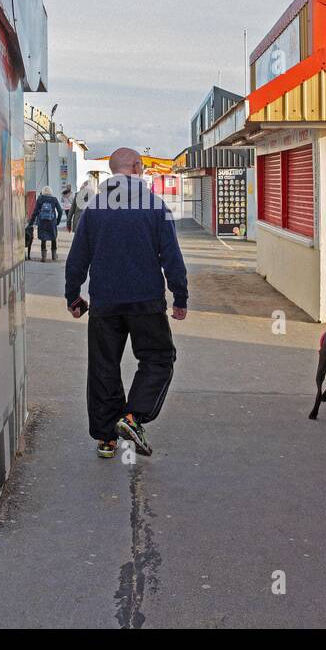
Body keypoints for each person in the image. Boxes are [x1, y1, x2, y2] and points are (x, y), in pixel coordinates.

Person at [65, 148, 188, 458]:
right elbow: (172, 257)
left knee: (103, 366)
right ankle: (132, 417)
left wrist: (73, 296)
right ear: (136, 166)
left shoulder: (95, 209)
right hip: (146, 302)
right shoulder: (155, 207)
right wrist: (180, 296)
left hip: (105, 303)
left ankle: (106, 439)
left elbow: (77, 258)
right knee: (159, 358)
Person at [27, 186, 63, 262]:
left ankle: (44, 257)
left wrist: (31, 223)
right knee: (53, 238)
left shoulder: (40, 199)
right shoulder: (54, 199)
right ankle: (54, 257)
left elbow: (35, 212)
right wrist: (58, 221)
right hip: (52, 222)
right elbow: (60, 211)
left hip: (42, 222)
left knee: (43, 239)